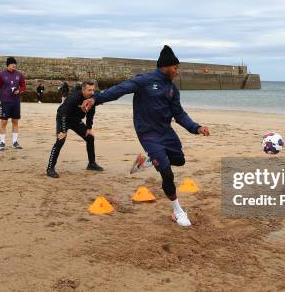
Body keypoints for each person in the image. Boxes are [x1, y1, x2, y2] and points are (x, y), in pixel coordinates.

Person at [81, 45, 210, 227]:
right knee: (166, 171)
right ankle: (178, 211)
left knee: (179, 160)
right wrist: (96, 99)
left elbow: (179, 114)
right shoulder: (145, 80)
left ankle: (149, 160)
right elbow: (120, 89)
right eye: (175, 67)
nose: (177, 71)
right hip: (147, 132)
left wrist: (196, 128)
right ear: (166, 66)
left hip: (166, 131)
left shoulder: (173, 89)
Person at [47, 81, 104, 178]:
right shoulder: (74, 98)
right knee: (60, 140)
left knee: (90, 137)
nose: (92, 92)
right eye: (89, 90)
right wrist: (64, 131)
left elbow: (91, 112)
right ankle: (50, 168)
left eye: (93, 90)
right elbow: (64, 114)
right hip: (63, 118)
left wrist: (89, 128)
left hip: (76, 120)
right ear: (83, 90)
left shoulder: (92, 99)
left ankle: (91, 163)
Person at [0, 57, 26, 151]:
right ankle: (2, 142)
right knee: (4, 122)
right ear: (7, 65)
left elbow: (23, 87)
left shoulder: (19, 75)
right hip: (5, 102)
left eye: (15, 64)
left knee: (15, 121)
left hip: (16, 102)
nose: (14, 66)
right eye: (12, 64)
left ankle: (14, 142)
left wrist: (19, 91)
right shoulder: (1, 75)